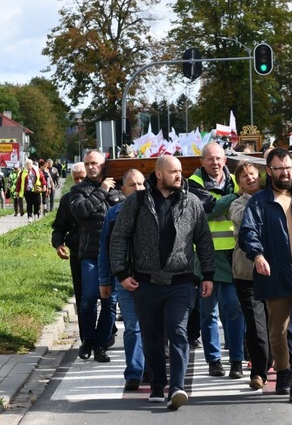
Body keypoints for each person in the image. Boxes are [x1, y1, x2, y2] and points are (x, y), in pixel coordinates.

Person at [109, 155, 215, 410]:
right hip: (146, 282)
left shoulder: (191, 202)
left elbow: (203, 240)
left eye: (180, 171)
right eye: (173, 171)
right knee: (152, 336)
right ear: (159, 174)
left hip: (181, 281)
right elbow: (120, 236)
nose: (179, 175)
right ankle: (158, 385)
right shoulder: (136, 202)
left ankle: (177, 387)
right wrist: (122, 273)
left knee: (178, 332)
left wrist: (208, 274)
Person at [239, 148, 292, 405]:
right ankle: (284, 371)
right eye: (280, 169)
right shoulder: (259, 201)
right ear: (270, 171)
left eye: (289, 168)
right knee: (277, 332)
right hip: (274, 275)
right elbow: (248, 232)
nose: (287, 173)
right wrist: (257, 256)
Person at [187, 142, 244, 379]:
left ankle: (237, 360)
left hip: (234, 254)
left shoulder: (237, 179)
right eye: (210, 159)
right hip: (205, 256)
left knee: (234, 309)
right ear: (202, 162)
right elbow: (206, 210)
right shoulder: (193, 183)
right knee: (208, 312)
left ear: (226, 160)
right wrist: (233, 197)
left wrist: (227, 201)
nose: (215, 163)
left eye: (219, 158)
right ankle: (214, 360)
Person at [98, 168, 146, 391]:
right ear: (123, 189)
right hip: (124, 279)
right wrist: (104, 281)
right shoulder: (113, 214)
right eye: (132, 185)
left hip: (152, 280)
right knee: (132, 327)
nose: (137, 189)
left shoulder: (155, 209)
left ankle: (152, 369)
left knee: (153, 327)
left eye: (141, 184)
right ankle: (134, 372)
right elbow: (105, 251)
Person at [69, 150, 117, 363]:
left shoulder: (116, 186)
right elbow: (80, 211)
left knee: (109, 302)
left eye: (94, 163)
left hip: (114, 254)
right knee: (88, 298)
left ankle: (101, 345)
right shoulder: (78, 189)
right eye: (87, 164)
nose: (90, 167)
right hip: (90, 252)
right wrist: (102, 192)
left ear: (103, 164)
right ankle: (88, 339)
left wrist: (110, 191)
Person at [229, 161, 272, 390]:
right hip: (247, 272)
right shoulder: (238, 204)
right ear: (239, 183)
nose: (249, 178)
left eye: (253, 174)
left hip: (274, 271)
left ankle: (271, 361)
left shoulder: (272, 197)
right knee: (256, 325)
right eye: (244, 176)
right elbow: (245, 219)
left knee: (275, 322)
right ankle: (258, 372)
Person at [51, 162, 87, 341]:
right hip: (77, 254)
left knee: (106, 297)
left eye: (83, 177)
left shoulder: (100, 194)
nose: (79, 181)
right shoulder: (67, 200)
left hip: (100, 254)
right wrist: (58, 244)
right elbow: (59, 227)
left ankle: (107, 332)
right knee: (82, 297)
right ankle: (85, 338)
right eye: (76, 178)